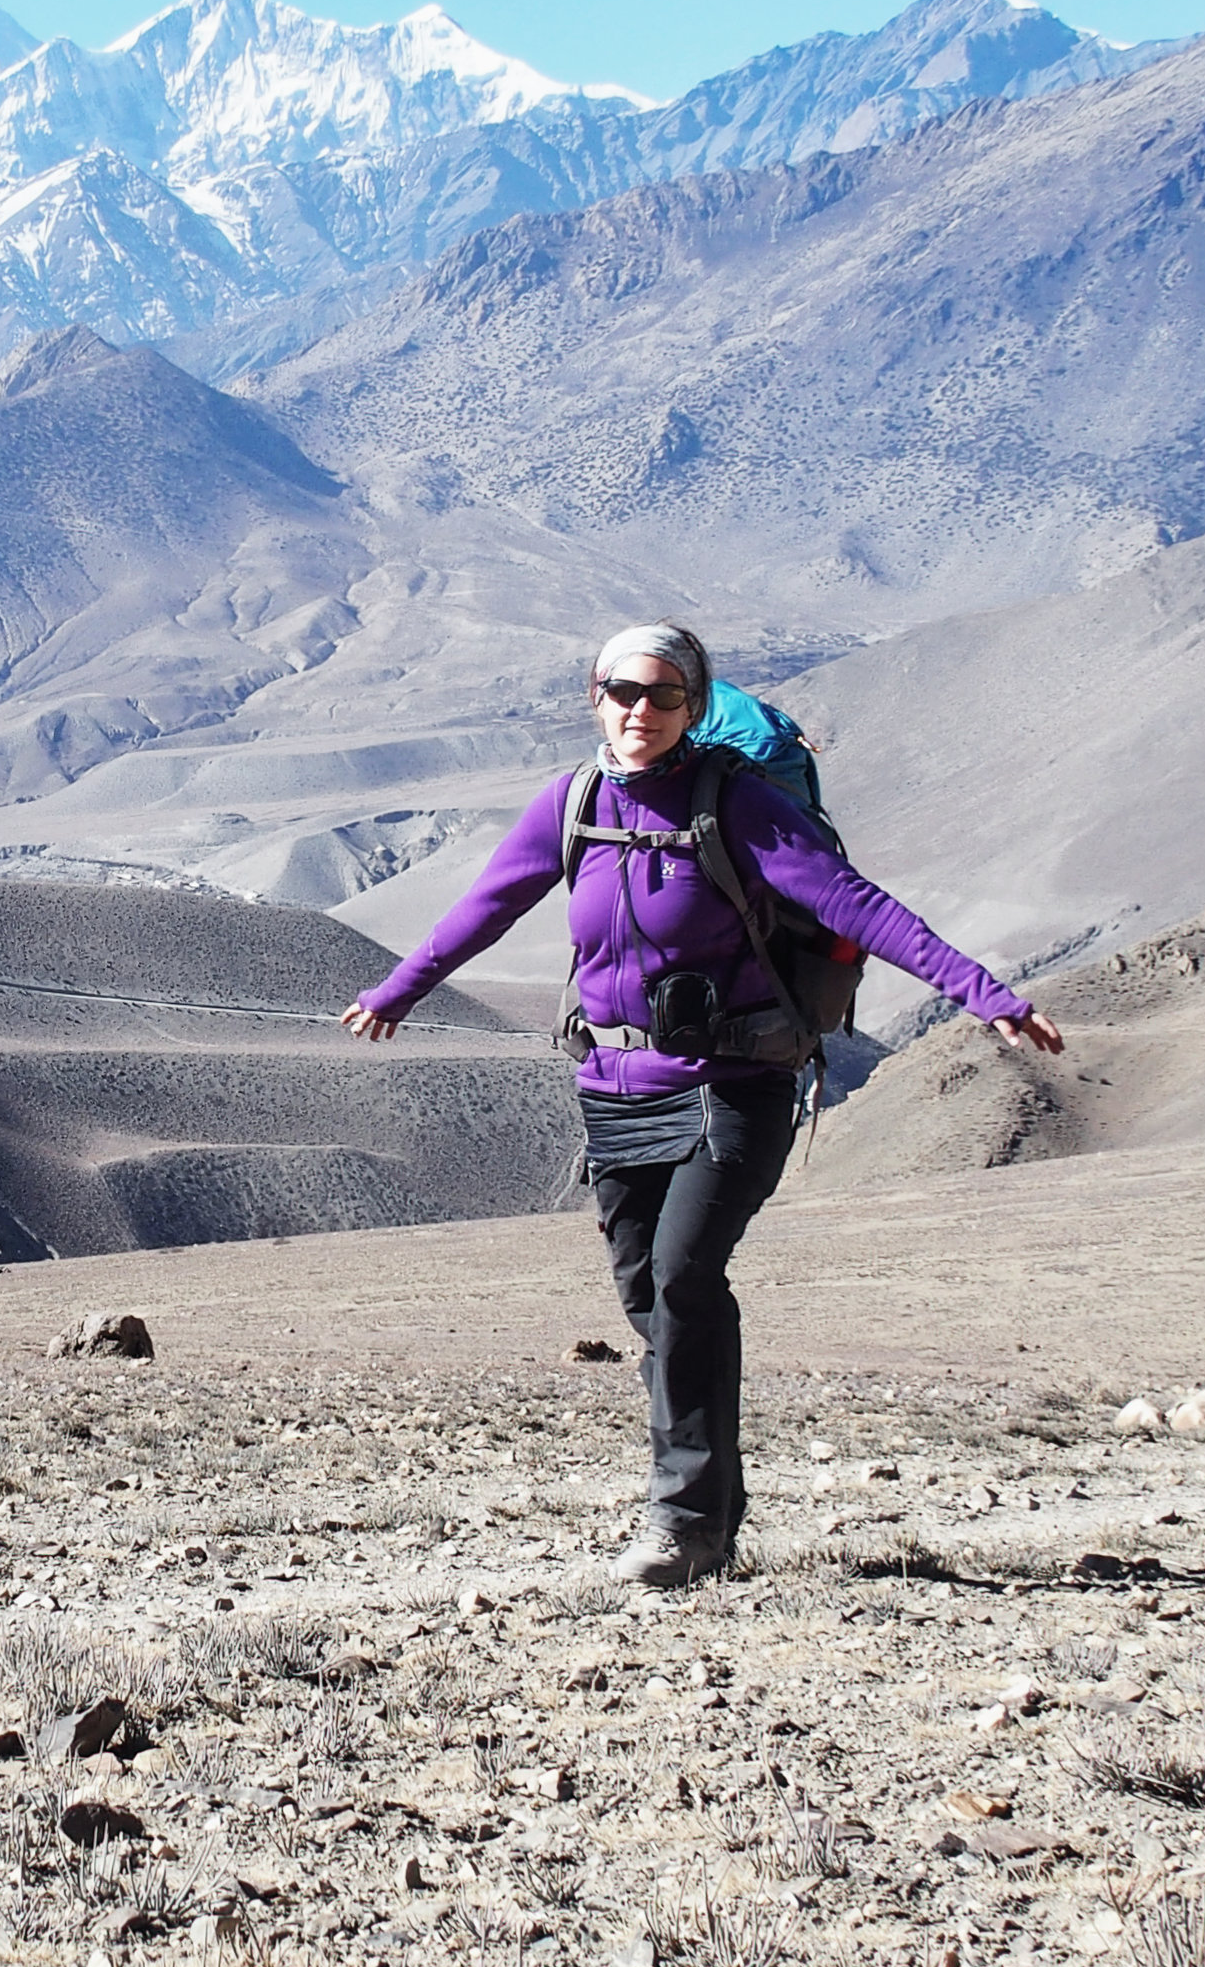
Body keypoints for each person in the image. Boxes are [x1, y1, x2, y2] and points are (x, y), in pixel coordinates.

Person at [340, 623, 1064, 1589]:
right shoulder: (574, 804)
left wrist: (986, 994)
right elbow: (488, 904)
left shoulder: (741, 808)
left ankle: (682, 1520)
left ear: (693, 705)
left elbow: (860, 907)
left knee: (683, 1280)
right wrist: (399, 989)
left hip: (731, 1086)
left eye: (663, 694)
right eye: (619, 690)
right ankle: (713, 1507)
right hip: (611, 1090)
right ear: (591, 697)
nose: (639, 709)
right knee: (650, 1300)